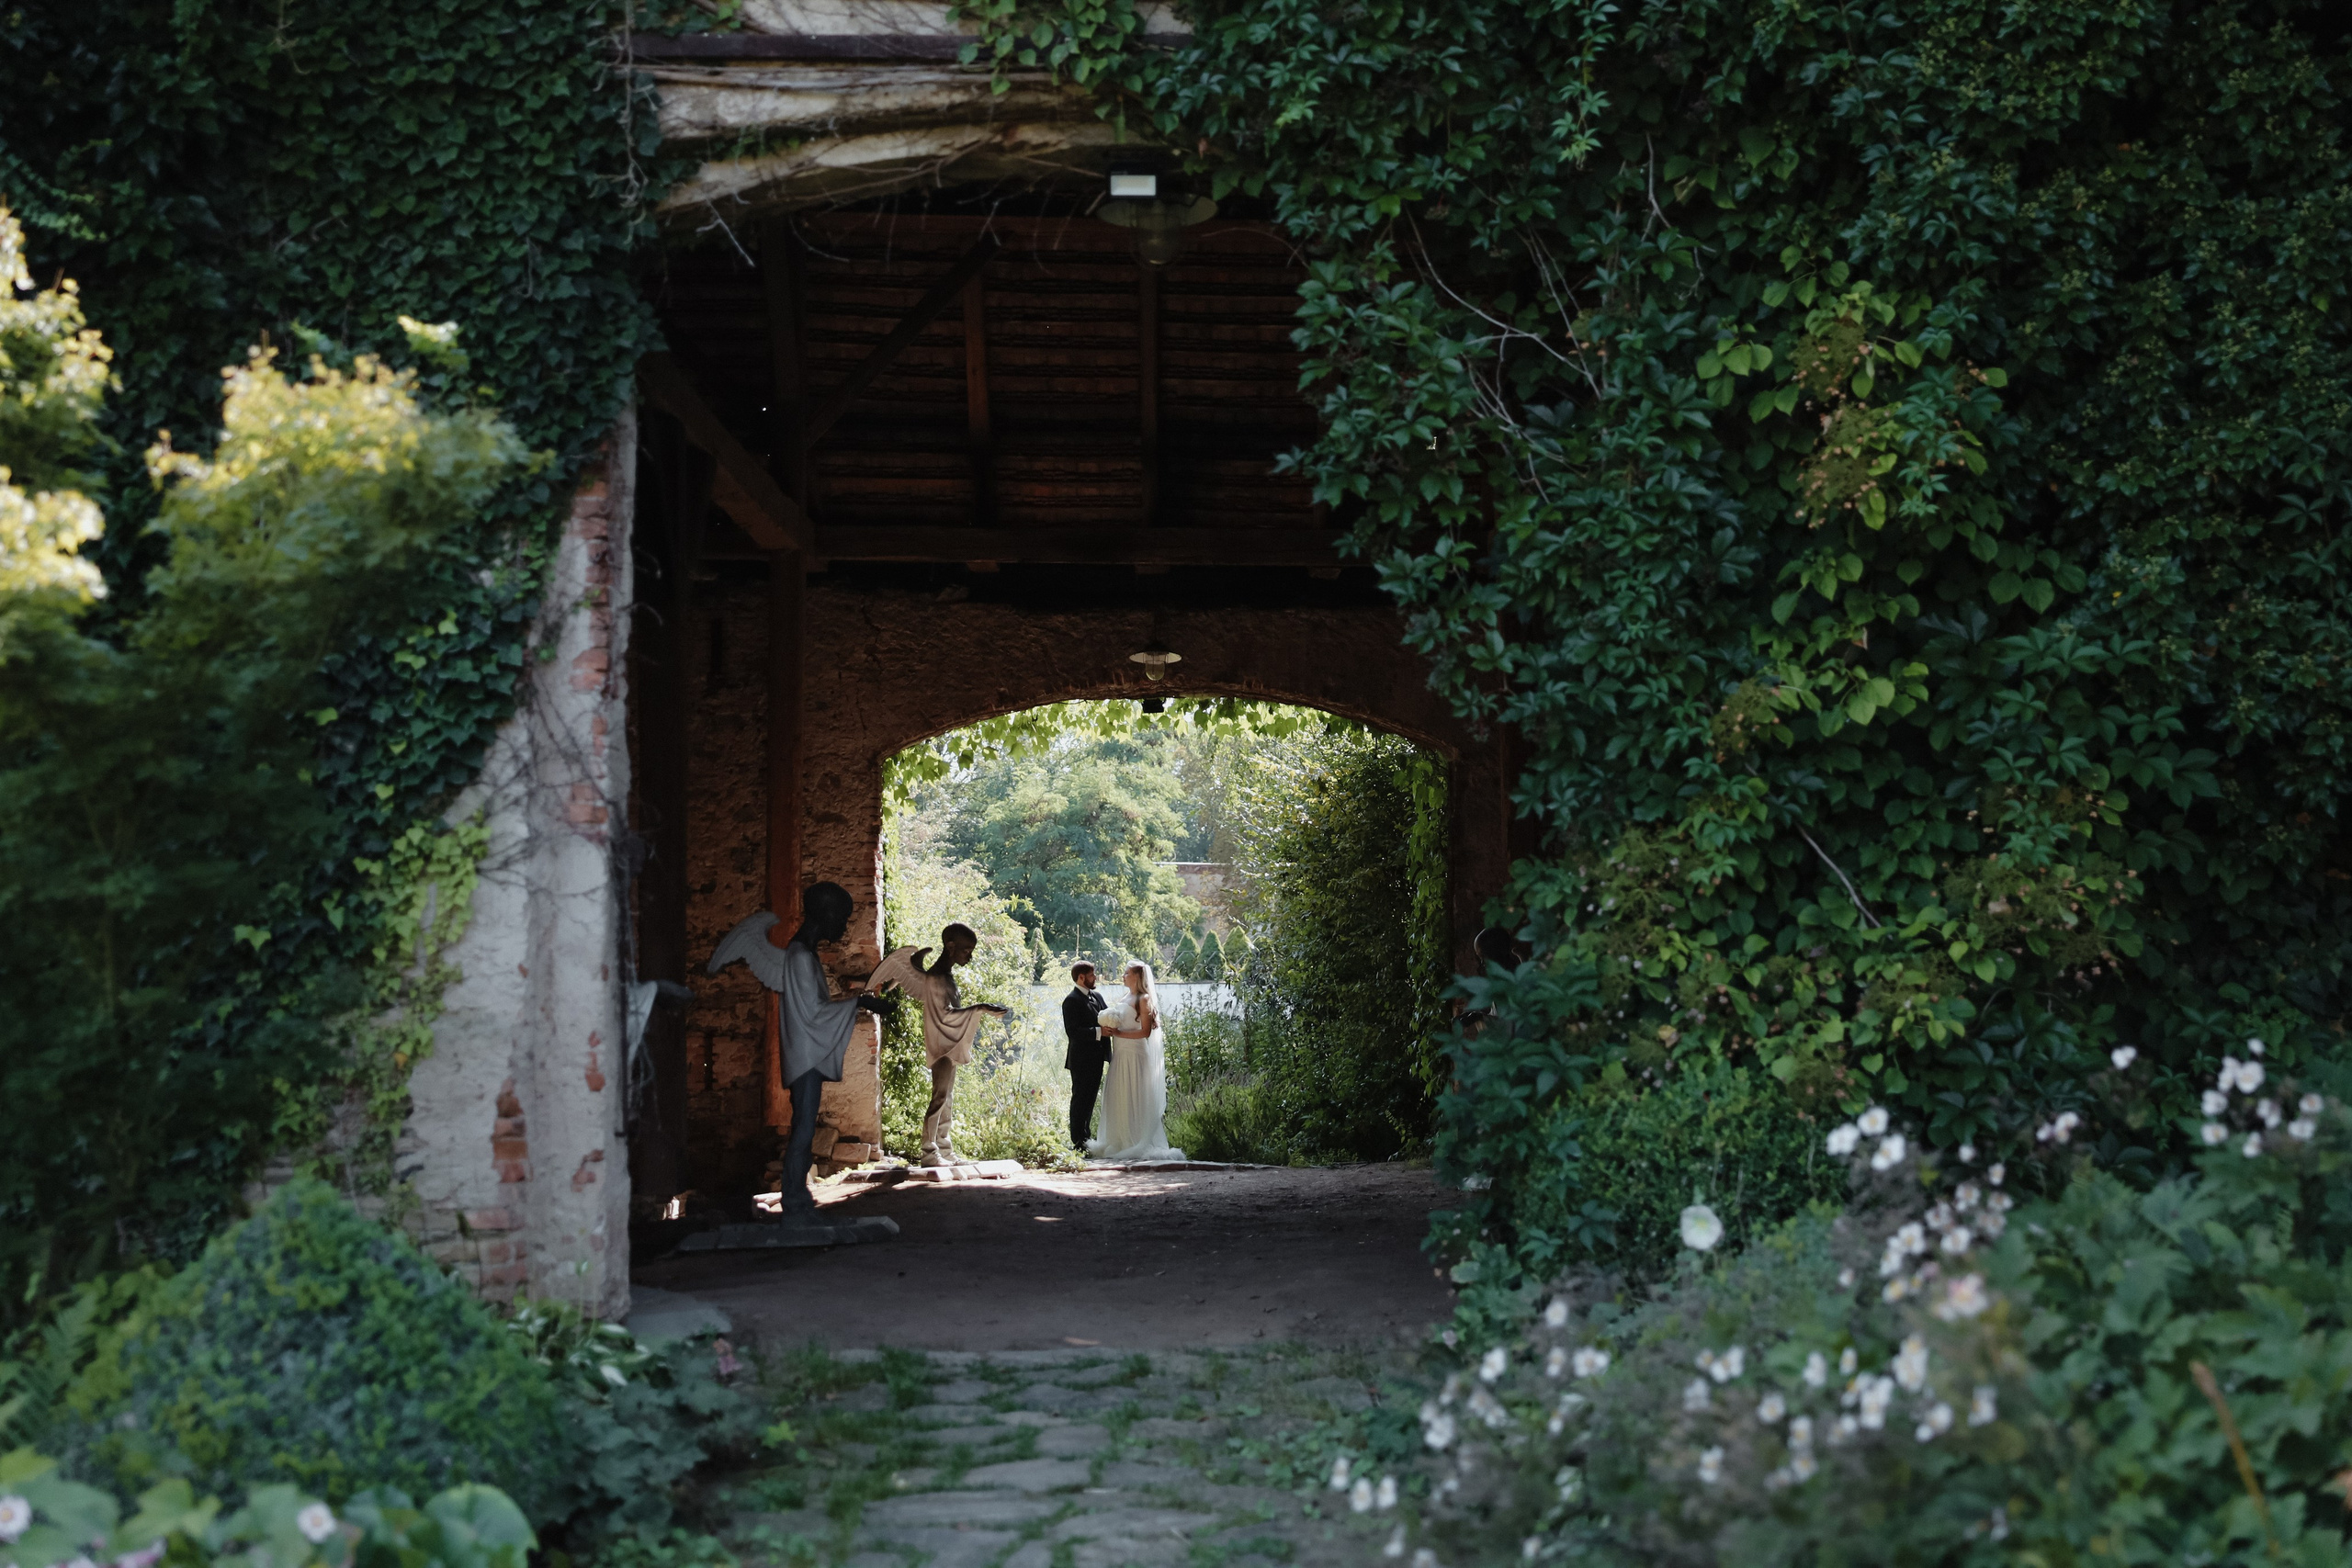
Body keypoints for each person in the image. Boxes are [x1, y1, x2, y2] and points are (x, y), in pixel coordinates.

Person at [705, 882, 892, 1214]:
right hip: (805, 1055)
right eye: (842, 919)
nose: (843, 927)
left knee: (804, 1127)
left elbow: (814, 1007)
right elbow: (815, 1014)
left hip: (806, 1052)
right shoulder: (801, 956)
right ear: (826, 915)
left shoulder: (803, 953)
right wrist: (860, 1002)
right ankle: (793, 1197)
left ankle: (797, 1194)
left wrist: (857, 1003)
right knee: (803, 1129)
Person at [868, 922, 1010, 1168]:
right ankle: (929, 1151)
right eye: (966, 950)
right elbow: (945, 1015)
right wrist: (980, 1008)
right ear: (951, 946)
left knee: (947, 1098)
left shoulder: (945, 976)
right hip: (942, 1045)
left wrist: (979, 1009)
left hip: (948, 1044)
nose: (969, 956)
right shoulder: (936, 977)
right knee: (939, 1097)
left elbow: (950, 1012)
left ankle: (944, 1147)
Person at [1087, 960, 1185, 1164]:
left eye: (1127, 973)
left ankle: (1136, 1138)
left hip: (1135, 1054)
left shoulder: (1143, 999)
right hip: (1120, 1054)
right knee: (1120, 1094)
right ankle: (1120, 1139)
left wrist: (1119, 1033)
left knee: (1136, 1094)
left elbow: (1145, 1032)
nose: (1123, 976)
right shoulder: (1125, 997)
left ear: (1137, 976)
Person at [1060, 961, 1111, 1150]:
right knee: (1080, 1099)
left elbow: (1107, 1014)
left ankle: (1086, 1139)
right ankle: (1078, 1142)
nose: (1095, 977)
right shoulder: (1071, 1000)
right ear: (1081, 977)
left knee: (1090, 1099)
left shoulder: (1096, 996)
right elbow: (1073, 1031)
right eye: (1091, 975)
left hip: (1097, 1058)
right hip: (1081, 1060)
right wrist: (1099, 1032)